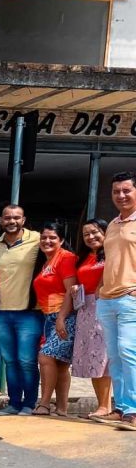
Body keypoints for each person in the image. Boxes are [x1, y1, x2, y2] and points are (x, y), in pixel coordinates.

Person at [0, 204, 42, 416]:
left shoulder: (37, 240)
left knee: (27, 361)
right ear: (1, 221)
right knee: (10, 362)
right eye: (8, 218)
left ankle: (29, 403)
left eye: (16, 218)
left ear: (23, 219)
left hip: (29, 312)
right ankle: (13, 403)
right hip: (3, 312)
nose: (12, 221)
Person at [58, 219, 111, 419]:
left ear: (106, 232)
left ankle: (106, 406)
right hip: (85, 309)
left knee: (104, 358)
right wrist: (75, 289)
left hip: (105, 306)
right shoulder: (83, 258)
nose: (91, 237)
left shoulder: (113, 254)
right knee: (94, 359)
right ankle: (102, 405)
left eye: (95, 232)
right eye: (86, 234)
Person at [97, 172, 136, 430]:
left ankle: (134, 410)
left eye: (126, 190)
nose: (120, 196)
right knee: (115, 355)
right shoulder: (112, 224)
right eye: (115, 192)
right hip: (108, 298)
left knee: (128, 352)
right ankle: (122, 408)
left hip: (130, 297)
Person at [29, 221, 78, 417]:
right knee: (60, 363)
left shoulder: (66, 258)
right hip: (48, 316)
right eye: (44, 238)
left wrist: (61, 318)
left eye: (52, 238)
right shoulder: (45, 262)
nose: (47, 241)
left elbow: (70, 291)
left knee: (45, 356)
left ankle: (44, 404)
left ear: (62, 240)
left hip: (65, 315)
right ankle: (62, 408)